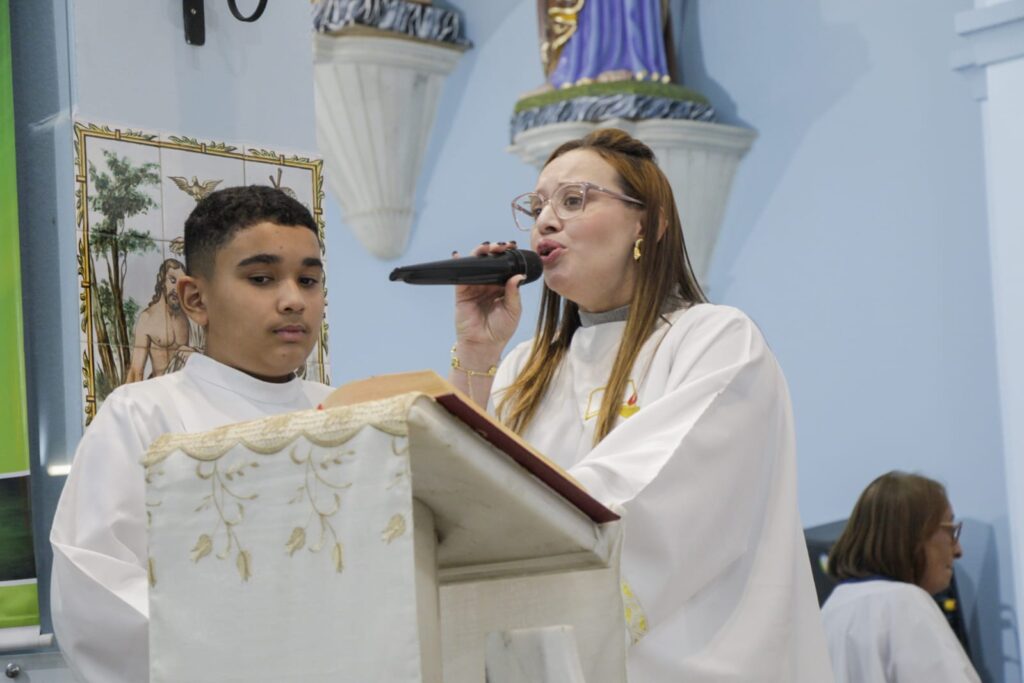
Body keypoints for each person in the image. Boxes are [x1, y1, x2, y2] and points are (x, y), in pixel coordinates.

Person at [448, 128, 834, 681]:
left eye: (573, 200)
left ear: (646, 224)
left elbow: (645, 499)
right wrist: (477, 351)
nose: (546, 221)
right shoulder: (525, 368)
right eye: (537, 206)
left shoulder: (715, 341)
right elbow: (468, 497)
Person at [50, 185, 331, 683]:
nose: (293, 301)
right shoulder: (142, 416)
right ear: (195, 299)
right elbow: (95, 586)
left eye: (308, 280)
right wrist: (255, 650)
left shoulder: (343, 410)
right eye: (263, 278)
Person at [822, 471, 980, 682]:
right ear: (914, 535)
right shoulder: (904, 602)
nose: (958, 550)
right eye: (951, 530)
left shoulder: (830, 611)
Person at [125, 258, 191, 382]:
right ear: (162, 282)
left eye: (181, 283)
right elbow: (136, 370)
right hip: (158, 392)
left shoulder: (186, 318)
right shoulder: (147, 318)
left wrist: (193, 353)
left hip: (181, 393)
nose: (177, 288)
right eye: (172, 281)